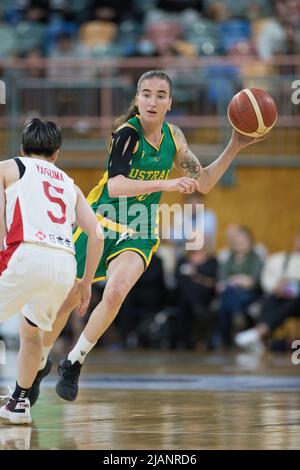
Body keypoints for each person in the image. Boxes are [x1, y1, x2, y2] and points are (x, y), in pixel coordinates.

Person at [30, 69, 263, 403]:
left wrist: (236, 144)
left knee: (115, 293)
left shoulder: (176, 137)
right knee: (69, 299)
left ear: (170, 103)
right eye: (146, 94)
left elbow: (205, 182)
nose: (153, 101)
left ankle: (73, 362)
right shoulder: (126, 134)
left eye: (161, 95)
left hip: (140, 227)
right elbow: (116, 185)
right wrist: (167, 183)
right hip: (101, 219)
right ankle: (39, 363)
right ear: (137, 100)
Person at [0, 118, 104, 424]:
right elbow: (97, 234)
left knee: (29, 333)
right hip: (63, 263)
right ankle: (19, 404)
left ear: (21, 148)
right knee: (32, 334)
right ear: (56, 154)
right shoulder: (69, 184)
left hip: (24, 251)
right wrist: (85, 283)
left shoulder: (9, 167)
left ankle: (19, 400)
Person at [235, 233, 300, 352]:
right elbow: (267, 276)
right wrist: (277, 287)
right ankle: (260, 339)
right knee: (270, 301)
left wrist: (291, 287)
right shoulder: (280, 258)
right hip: (280, 294)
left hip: (296, 299)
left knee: (291, 302)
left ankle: (258, 333)